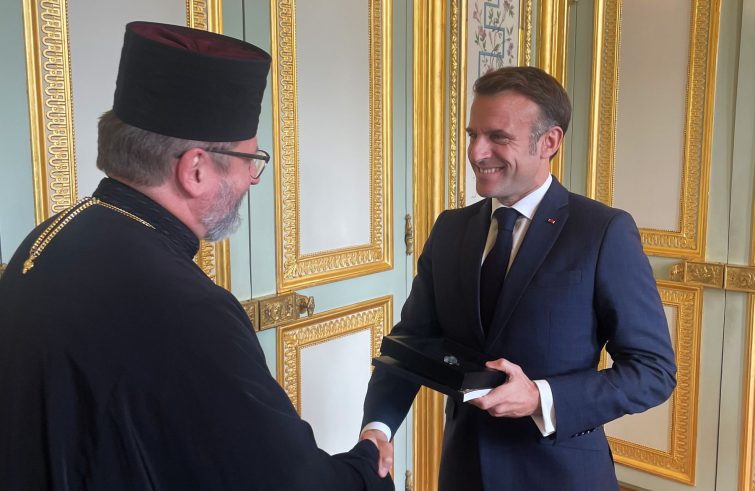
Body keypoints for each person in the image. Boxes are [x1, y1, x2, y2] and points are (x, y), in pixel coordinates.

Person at [0, 21, 392, 490]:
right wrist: (368, 463)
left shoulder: (49, 236)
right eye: (251, 161)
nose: (252, 180)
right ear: (196, 170)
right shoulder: (187, 309)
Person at [360, 66, 676, 490]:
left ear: (549, 142)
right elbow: (411, 344)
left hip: (560, 475)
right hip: (463, 472)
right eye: (473, 134)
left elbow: (653, 371)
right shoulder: (450, 228)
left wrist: (541, 397)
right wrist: (378, 428)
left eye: (498, 137)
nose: (476, 152)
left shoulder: (603, 232)